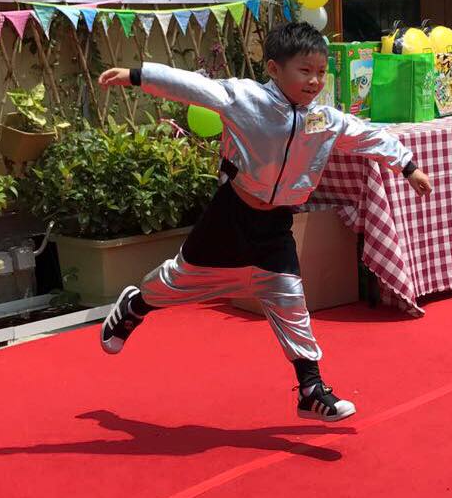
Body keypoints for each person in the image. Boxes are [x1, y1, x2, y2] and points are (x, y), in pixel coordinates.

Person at [98, 22, 432, 422]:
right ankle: (135, 305)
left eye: (320, 72)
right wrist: (137, 75)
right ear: (274, 69)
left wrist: (407, 166)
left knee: (289, 299)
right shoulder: (244, 98)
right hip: (230, 216)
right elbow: (191, 85)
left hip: (276, 225)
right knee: (177, 282)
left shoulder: (324, 119)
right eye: (304, 71)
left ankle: (310, 389)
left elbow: (367, 136)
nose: (314, 81)